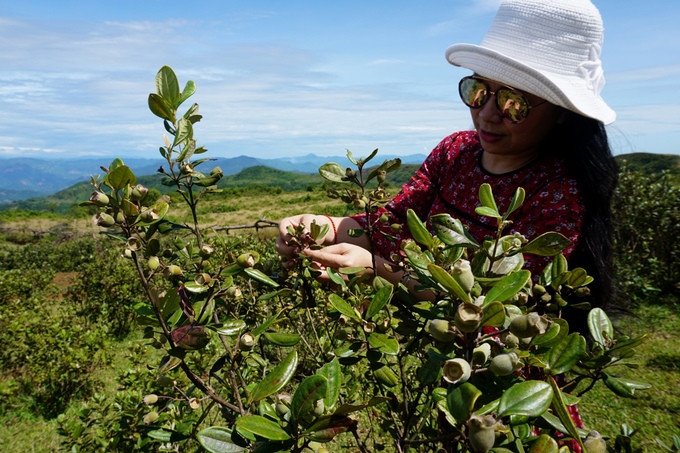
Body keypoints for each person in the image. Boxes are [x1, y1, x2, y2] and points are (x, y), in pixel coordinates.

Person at [276, 0, 618, 322]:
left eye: (513, 102)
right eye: (478, 90)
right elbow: (393, 224)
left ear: (562, 113)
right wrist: (326, 227)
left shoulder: (560, 192)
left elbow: (503, 302)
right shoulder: (456, 151)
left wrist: (380, 270)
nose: (486, 114)